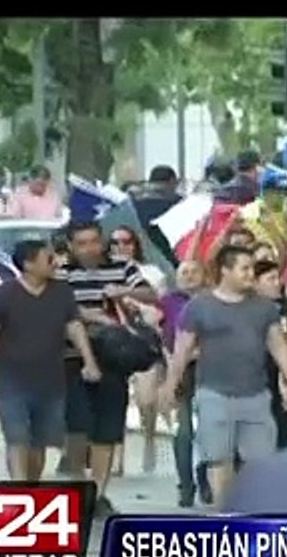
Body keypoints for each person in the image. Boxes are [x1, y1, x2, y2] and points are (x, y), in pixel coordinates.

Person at [162, 245, 287, 507]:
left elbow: (277, 344)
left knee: (260, 463)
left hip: (256, 394)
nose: (250, 274)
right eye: (244, 269)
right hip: (214, 394)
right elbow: (183, 347)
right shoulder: (199, 306)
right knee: (219, 460)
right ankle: (229, 517)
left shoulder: (264, 308)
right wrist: (170, 384)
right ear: (225, 270)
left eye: (251, 269)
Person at [0, 240, 102, 481]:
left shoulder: (62, 292)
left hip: (51, 382)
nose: (54, 263)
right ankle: (19, 490)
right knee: (17, 438)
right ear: (28, 264)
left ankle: (31, 486)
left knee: (39, 443)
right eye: (48, 258)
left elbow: (74, 327)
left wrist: (89, 361)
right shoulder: (2, 296)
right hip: (11, 381)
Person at [56, 219, 158, 516]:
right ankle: (77, 485)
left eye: (93, 242)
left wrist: (124, 291)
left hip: (114, 357)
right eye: (82, 244)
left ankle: (98, 493)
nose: (89, 249)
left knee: (108, 427)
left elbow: (151, 293)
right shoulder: (62, 274)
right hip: (72, 358)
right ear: (72, 247)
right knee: (76, 427)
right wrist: (89, 315)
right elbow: (55, 308)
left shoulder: (122, 267)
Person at [108, 225, 168, 476]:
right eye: (115, 243)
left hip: (145, 340)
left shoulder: (151, 273)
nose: (121, 247)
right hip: (113, 340)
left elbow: (160, 302)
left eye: (126, 242)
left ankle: (149, 440)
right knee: (114, 401)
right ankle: (117, 458)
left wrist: (126, 295)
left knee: (146, 400)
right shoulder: (104, 272)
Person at [160, 260, 213, 507]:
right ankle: (185, 485)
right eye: (184, 272)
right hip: (179, 368)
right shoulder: (170, 301)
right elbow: (164, 333)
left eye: (195, 271)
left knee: (208, 429)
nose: (190, 276)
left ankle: (205, 479)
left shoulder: (214, 301)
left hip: (208, 367)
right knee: (183, 431)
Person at [252, 258, 287, 450]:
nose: (277, 283)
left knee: (285, 434)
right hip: (258, 379)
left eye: (278, 278)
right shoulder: (246, 310)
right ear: (255, 283)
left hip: (286, 375)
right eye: (270, 279)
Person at [240, 169, 287, 261]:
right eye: (280, 193)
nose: (285, 197)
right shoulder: (252, 212)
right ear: (267, 193)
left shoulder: (284, 211)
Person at [134, 165, 183, 267]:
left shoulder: (134, 204)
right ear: (173, 181)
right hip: (172, 258)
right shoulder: (181, 204)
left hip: (141, 259)